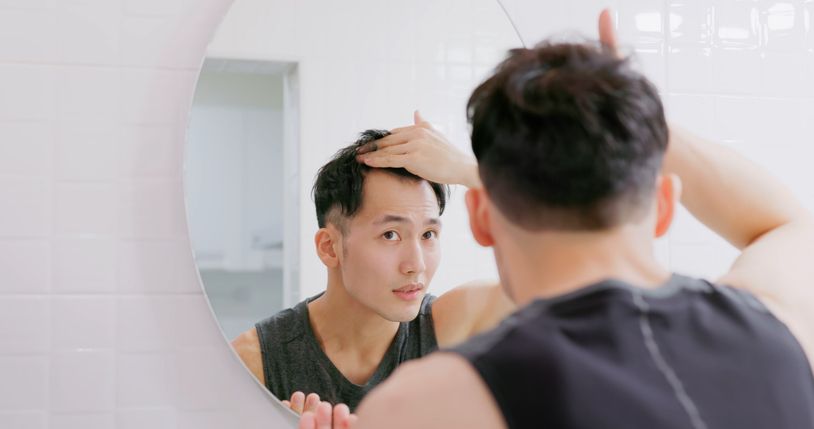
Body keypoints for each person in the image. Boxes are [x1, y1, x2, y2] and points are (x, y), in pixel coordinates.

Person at [298, 9, 814, 429]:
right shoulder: (780, 330)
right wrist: (630, 114)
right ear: (662, 206)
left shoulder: (430, 405)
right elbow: (784, 223)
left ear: (481, 217)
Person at [230, 126, 515, 412]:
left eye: (428, 234)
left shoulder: (453, 327)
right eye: (390, 235)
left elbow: (544, 282)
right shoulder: (253, 362)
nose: (416, 265)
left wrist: (471, 172)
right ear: (329, 247)